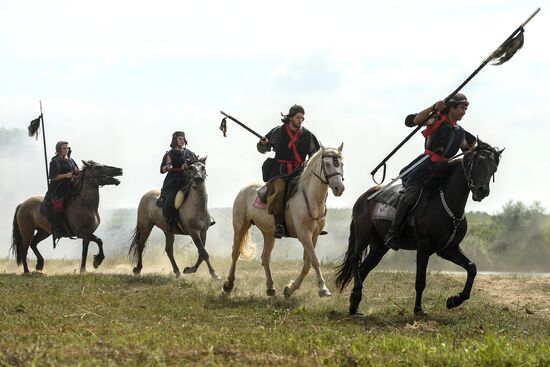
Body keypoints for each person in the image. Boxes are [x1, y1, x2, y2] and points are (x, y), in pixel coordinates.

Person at [384, 93, 477, 251]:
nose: (464, 111)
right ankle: (393, 233)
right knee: (411, 195)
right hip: (425, 165)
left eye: (466, 109)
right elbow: (414, 121)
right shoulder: (436, 119)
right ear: (452, 107)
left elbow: (470, 151)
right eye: (462, 107)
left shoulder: (461, 132)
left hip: (445, 169)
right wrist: (434, 108)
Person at [258, 104, 320, 238]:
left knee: (315, 189)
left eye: (302, 118)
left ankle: (316, 222)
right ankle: (279, 224)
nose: (300, 120)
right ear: (291, 117)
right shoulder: (278, 131)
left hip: (299, 172)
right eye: (298, 117)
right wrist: (263, 144)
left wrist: (308, 162)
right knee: (279, 189)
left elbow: (315, 154)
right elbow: (263, 149)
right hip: (280, 171)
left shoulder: (308, 135)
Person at [159, 131, 196, 232]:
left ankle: (204, 219)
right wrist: (167, 167)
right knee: (170, 201)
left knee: (199, 194)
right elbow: (161, 170)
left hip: (187, 181)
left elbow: (195, 165)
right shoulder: (169, 154)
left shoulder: (190, 153)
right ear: (175, 140)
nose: (182, 141)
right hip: (173, 182)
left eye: (183, 139)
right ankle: (170, 223)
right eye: (180, 139)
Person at [46, 141, 79, 240]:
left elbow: (76, 171)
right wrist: (66, 175)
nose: (66, 150)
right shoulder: (54, 162)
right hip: (58, 190)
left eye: (67, 148)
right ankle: (57, 230)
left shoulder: (71, 160)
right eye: (64, 148)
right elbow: (52, 177)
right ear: (59, 150)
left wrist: (79, 173)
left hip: (71, 187)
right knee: (58, 207)